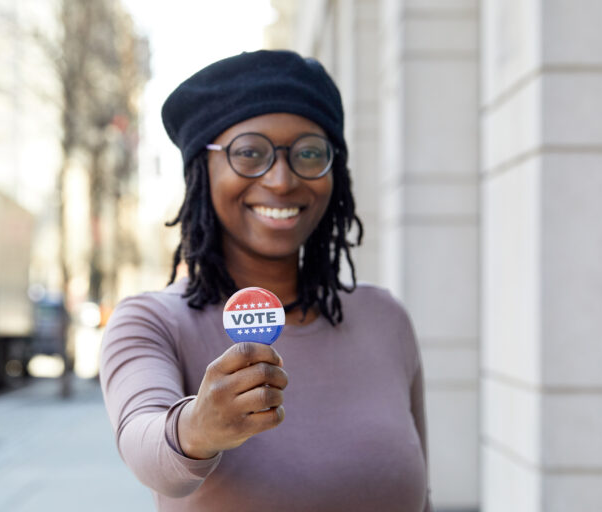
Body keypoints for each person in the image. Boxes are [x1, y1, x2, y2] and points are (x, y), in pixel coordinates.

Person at [100, 50, 432, 512]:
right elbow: (148, 453)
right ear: (203, 168)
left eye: (309, 153)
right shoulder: (152, 322)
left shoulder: (385, 319)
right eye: (250, 153)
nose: (281, 180)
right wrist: (199, 427)